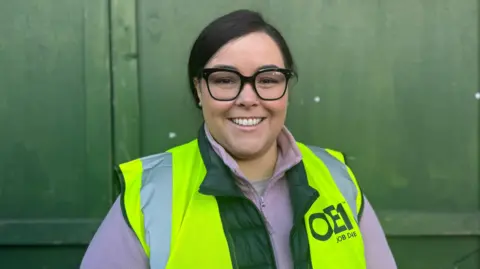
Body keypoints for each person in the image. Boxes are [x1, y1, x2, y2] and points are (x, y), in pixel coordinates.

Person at [80, 9, 397, 269]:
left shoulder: (337, 179)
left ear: (286, 89)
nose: (248, 98)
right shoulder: (148, 197)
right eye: (225, 80)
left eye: (268, 79)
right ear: (198, 90)